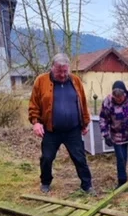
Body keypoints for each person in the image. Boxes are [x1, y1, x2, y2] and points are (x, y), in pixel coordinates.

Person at [29, 54, 95, 195]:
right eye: (60, 71)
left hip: (73, 130)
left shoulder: (75, 81)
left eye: (65, 71)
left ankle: (87, 185)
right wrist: (36, 122)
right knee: (47, 158)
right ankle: (45, 182)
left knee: (80, 158)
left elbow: (82, 103)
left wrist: (85, 122)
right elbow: (34, 105)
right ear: (52, 68)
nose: (63, 74)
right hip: (51, 130)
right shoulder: (41, 81)